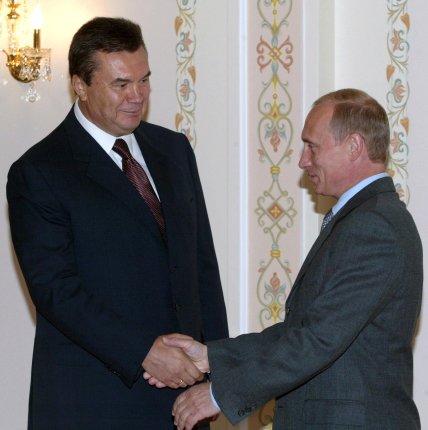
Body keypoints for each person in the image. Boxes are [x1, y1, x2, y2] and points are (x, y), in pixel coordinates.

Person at [145, 89, 423, 429]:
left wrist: (220, 394)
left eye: (312, 147)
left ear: (354, 146)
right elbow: (302, 330)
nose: (303, 161)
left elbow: (318, 339)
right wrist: (211, 356)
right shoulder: (364, 217)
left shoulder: (374, 226)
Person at [7, 17, 228, 429]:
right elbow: (56, 291)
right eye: (121, 84)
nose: (136, 96)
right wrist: (144, 351)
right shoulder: (40, 171)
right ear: (80, 85)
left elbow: (202, 267)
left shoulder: (174, 150)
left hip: (186, 400)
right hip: (94, 401)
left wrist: (220, 373)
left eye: (144, 81)